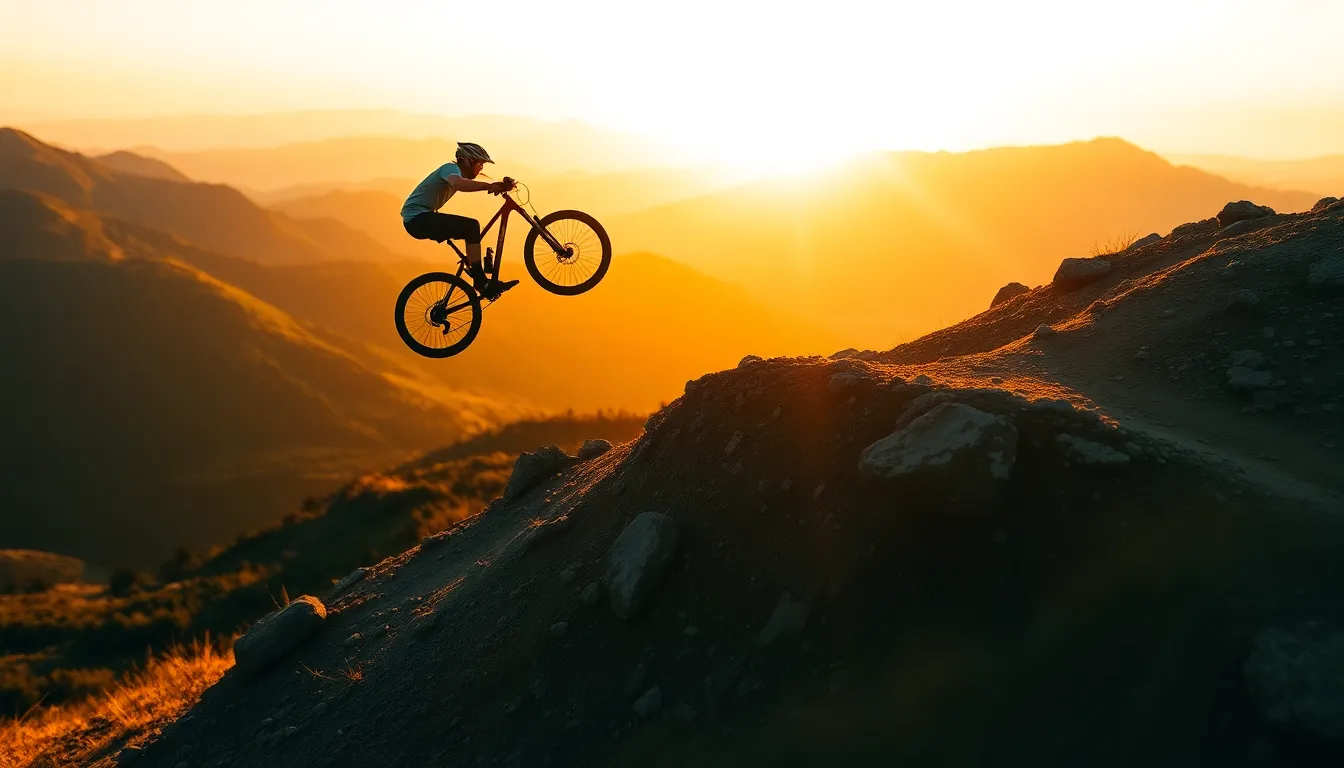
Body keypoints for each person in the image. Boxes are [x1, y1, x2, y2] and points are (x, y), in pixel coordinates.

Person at [401, 142, 517, 294]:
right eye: (480, 164)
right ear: (469, 161)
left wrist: (498, 185)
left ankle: (478, 271)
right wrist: (488, 186)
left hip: (419, 218)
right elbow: (458, 184)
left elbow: (472, 183)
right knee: (471, 227)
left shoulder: (457, 172)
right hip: (417, 219)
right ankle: (481, 282)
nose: (481, 168)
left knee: (470, 229)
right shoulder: (450, 168)